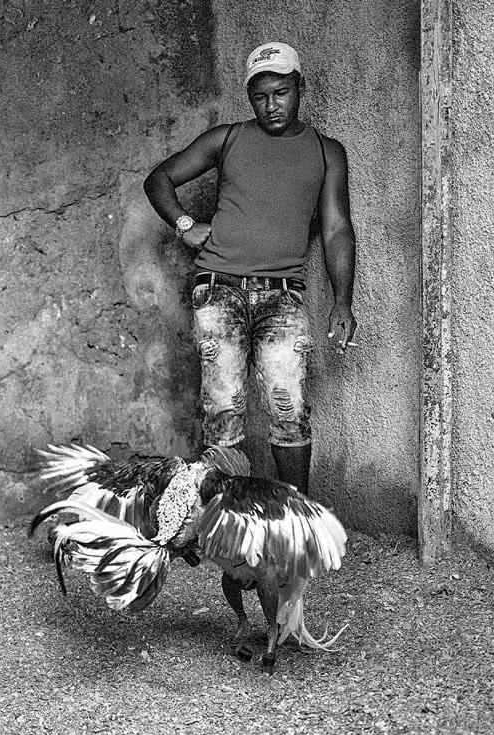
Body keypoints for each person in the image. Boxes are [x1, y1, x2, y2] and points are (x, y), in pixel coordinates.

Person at [143, 41, 357, 495]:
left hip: (283, 294)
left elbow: (337, 228)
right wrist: (184, 225)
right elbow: (158, 179)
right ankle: (227, 520)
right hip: (218, 289)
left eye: (281, 93)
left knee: (289, 409)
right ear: (249, 97)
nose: (271, 105)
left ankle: (296, 516)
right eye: (260, 96)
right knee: (224, 409)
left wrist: (343, 301)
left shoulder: (326, 152)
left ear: (300, 88)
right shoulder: (227, 139)